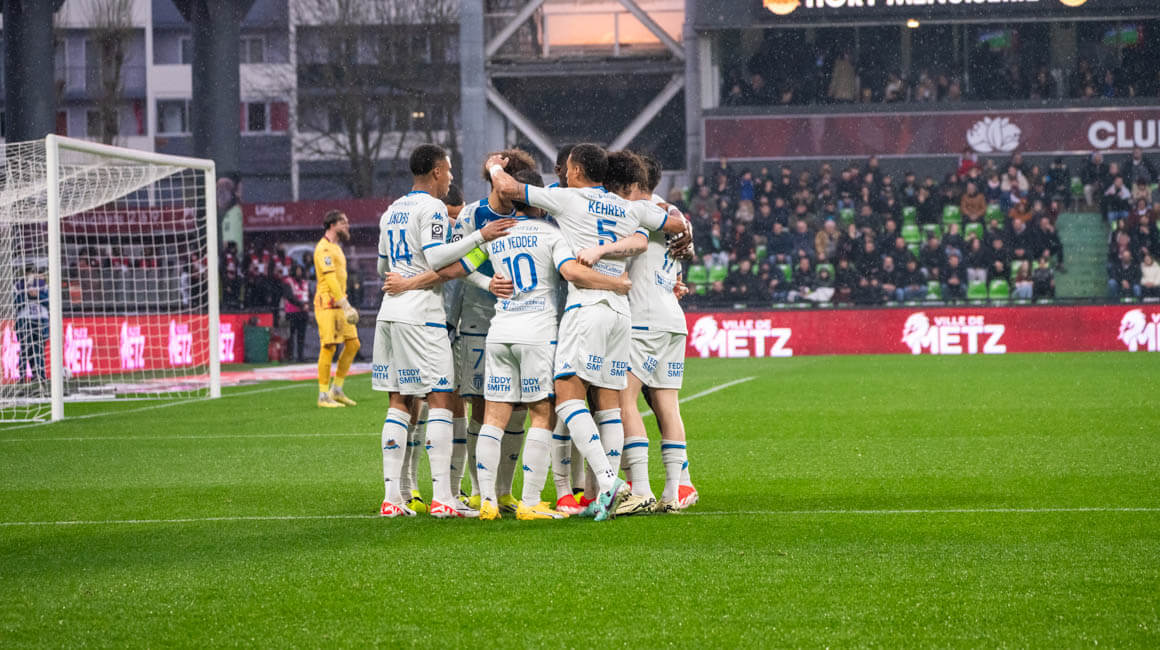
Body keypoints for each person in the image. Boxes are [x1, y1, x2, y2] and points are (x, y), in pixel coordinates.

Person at [486, 144, 689, 521]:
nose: (565, 173)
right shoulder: (627, 207)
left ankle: (610, 482)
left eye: (568, 168)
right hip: (621, 312)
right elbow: (654, 234)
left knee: (566, 398)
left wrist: (494, 168)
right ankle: (610, 495)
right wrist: (681, 233)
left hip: (587, 306)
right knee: (609, 403)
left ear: (577, 170)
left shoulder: (568, 198)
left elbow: (511, 189)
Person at [472, 168, 633, 520]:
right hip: (538, 333)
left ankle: (487, 501)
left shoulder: (495, 234)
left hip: (499, 332)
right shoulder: (550, 234)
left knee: (493, 419)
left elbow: (454, 265)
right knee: (543, 414)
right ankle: (531, 502)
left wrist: (486, 284)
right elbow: (571, 272)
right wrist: (615, 284)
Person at [374, 143, 515, 518]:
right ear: (436, 170)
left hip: (390, 312)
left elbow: (382, 267)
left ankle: (392, 499)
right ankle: (443, 499)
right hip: (421, 315)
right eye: (449, 170)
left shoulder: (392, 210)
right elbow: (437, 257)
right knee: (440, 397)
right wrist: (481, 236)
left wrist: (405, 274)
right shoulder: (432, 207)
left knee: (399, 401)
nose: (451, 177)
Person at [579, 152, 698, 514]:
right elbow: (682, 240)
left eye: (615, 188)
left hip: (644, 318)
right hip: (672, 319)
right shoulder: (669, 212)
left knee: (622, 401)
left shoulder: (637, 212)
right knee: (667, 405)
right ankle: (675, 491)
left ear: (630, 186)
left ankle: (641, 490)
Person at [313, 211, 361, 408]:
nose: (347, 226)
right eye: (344, 222)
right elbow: (330, 279)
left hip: (339, 304)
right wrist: (345, 304)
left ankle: (337, 390)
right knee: (329, 347)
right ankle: (323, 395)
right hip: (328, 304)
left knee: (353, 344)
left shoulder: (335, 247)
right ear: (332, 225)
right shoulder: (323, 248)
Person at [14, 267, 48, 382]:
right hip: (24, 320)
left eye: (32, 272)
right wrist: (27, 295)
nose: (30, 275)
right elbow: (16, 303)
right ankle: (22, 376)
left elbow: (48, 301)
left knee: (39, 350)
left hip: (40, 319)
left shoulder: (43, 285)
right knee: (25, 349)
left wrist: (37, 295)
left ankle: (39, 375)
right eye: (28, 273)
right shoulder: (18, 286)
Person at [282, 265, 310, 362]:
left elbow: (308, 295)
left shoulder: (305, 282)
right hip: (292, 312)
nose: (299, 272)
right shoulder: (288, 281)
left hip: (303, 313)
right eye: (297, 270)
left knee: (301, 335)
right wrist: (301, 305)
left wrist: (307, 305)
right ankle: (290, 356)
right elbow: (289, 296)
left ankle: (300, 356)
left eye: (300, 270)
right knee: (291, 335)